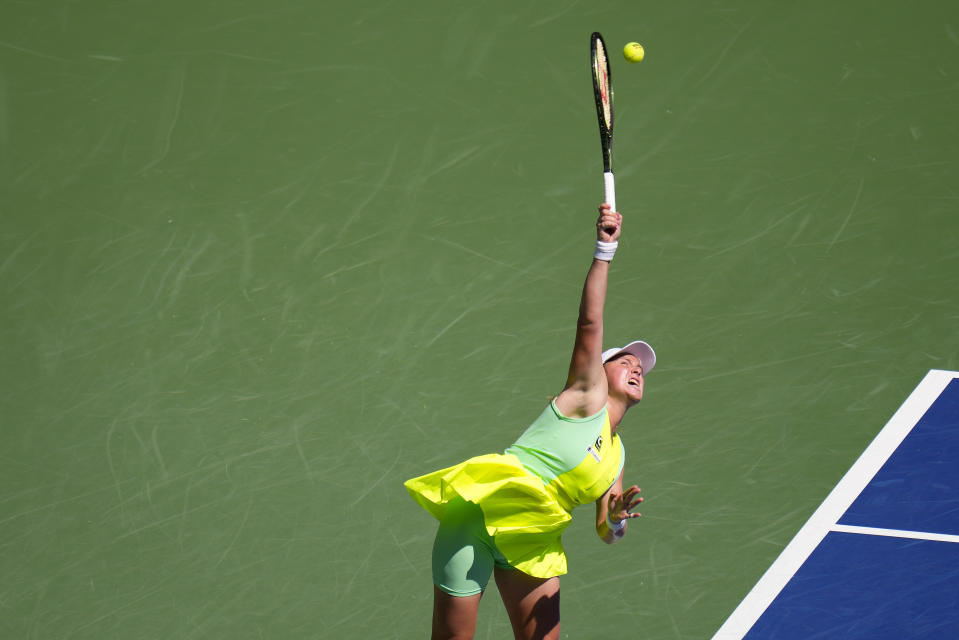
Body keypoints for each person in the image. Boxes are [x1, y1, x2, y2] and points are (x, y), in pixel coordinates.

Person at [404, 202, 656, 640]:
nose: (637, 368)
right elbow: (590, 322)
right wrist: (604, 251)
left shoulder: (615, 456)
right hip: (484, 515)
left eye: (642, 369)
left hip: (534, 540)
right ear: (599, 369)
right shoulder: (585, 396)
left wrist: (615, 520)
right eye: (626, 361)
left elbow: (606, 531)